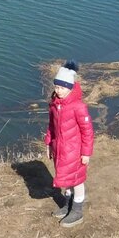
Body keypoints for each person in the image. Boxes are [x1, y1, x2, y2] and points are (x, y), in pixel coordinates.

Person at [45, 59, 94, 227]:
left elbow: (87, 131)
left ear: (70, 87)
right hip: (61, 150)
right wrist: (49, 144)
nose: (58, 91)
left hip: (75, 151)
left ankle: (77, 210)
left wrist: (86, 153)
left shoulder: (78, 107)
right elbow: (51, 126)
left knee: (77, 180)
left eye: (62, 88)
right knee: (66, 178)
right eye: (56, 87)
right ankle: (67, 204)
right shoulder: (55, 105)